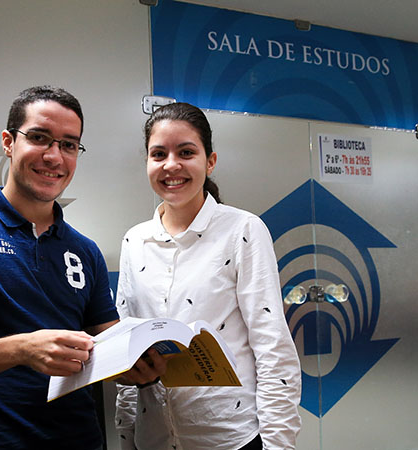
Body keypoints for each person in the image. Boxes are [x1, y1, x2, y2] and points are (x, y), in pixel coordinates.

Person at [0, 85, 161, 450]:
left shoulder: (85, 251)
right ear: (8, 142)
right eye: (40, 138)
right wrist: (22, 349)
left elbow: (110, 347)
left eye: (69, 144)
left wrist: (140, 366)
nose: (54, 156)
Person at [115, 102, 302, 450]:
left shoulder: (243, 230)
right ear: (147, 163)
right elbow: (126, 349)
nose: (172, 165)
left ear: (210, 161)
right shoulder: (134, 240)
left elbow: (272, 346)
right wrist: (127, 436)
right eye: (159, 154)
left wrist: (279, 445)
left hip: (228, 438)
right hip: (154, 438)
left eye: (186, 152)